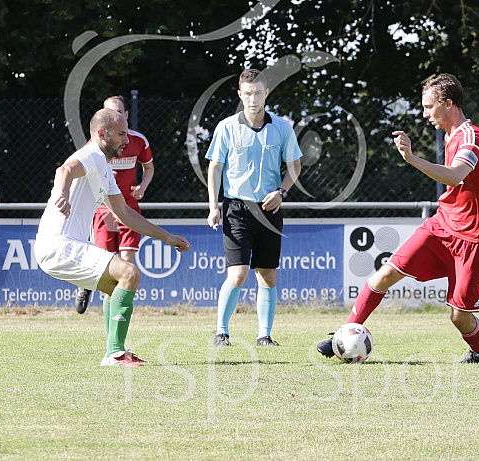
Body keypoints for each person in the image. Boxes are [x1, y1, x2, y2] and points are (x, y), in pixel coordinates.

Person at [318, 73, 479, 363]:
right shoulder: (450, 135)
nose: (425, 113)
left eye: (429, 106)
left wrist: (412, 159)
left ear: (449, 104)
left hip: (475, 237)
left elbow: (455, 176)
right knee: (386, 273)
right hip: (443, 225)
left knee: (459, 317)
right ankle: (345, 333)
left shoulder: (472, 136)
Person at [34, 108, 190, 367]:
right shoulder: (92, 154)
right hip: (60, 244)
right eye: (120, 134)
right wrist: (61, 194)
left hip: (63, 246)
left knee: (116, 287)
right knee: (129, 273)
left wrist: (167, 237)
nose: (127, 140)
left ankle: (114, 351)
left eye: (127, 133)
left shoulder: (105, 168)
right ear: (102, 134)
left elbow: (125, 214)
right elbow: (64, 170)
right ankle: (115, 354)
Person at [206, 68, 303, 347]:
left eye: (258, 93)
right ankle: (221, 332)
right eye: (247, 93)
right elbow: (215, 167)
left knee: (267, 274)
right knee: (237, 273)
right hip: (236, 209)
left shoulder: (282, 128)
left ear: (266, 94)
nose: (253, 99)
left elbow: (295, 165)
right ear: (240, 94)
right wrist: (214, 206)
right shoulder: (226, 127)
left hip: (269, 210)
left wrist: (282, 191)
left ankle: (264, 336)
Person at [75, 95, 155, 314]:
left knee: (126, 263)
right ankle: (90, 287)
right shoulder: (95, 144)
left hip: (128, 206)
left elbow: (149, 168)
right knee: (107, 265)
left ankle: (118, 316)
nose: (115, 116)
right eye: (110, 113)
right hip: (103, 208)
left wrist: (142, 187)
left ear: (126, 115)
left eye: (119, 112)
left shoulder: (138, 141)